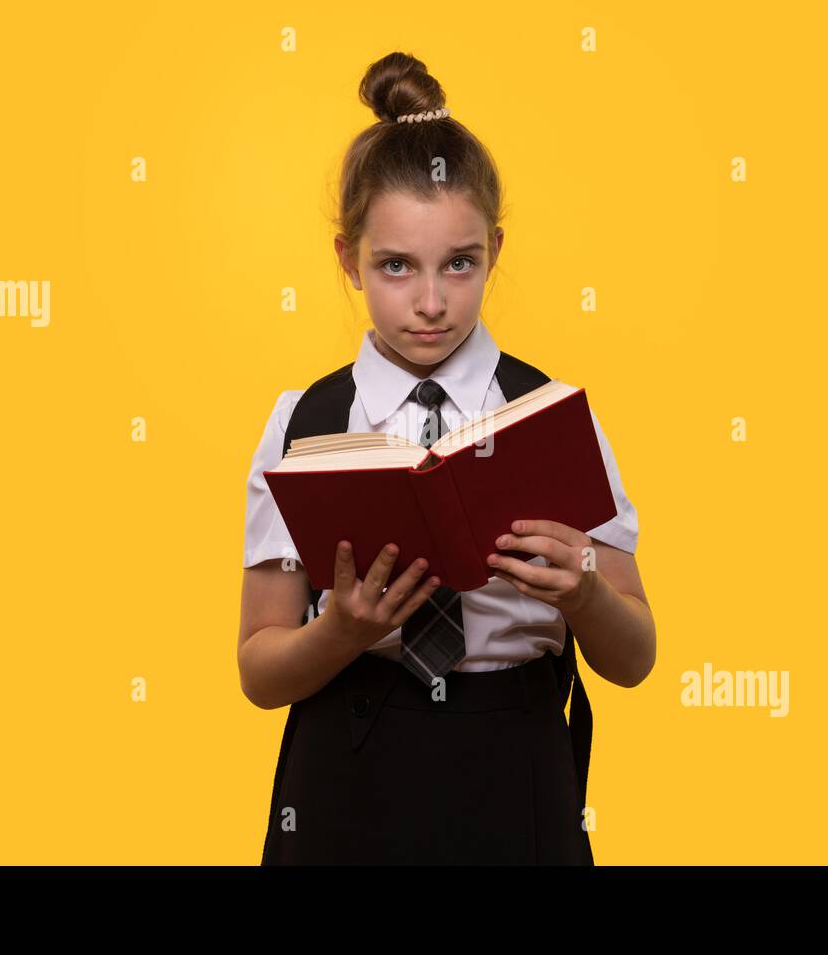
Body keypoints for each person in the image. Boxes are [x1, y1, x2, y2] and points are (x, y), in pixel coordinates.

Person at [239, 51, 656, 864]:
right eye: (396, 267)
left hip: (517, 769)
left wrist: (583, 593)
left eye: (459, 264)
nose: (431, 303)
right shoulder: (302, 425)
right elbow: (260, 670)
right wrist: (344, 633)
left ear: (494, 252)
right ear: (347, 261)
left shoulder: (554, 416)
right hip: (346, 776)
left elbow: (634, 656)